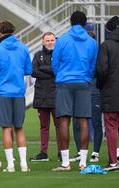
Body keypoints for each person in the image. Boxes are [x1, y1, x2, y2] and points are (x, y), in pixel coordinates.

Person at [51, 11, 98, 172]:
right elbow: (93, 65)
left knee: (64, 120)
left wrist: (61, 76)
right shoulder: (92, 42)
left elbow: (55, 63)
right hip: (83, 83)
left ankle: (65, 163)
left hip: (64, 82)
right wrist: (86, 78)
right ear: (85, 24)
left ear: (70, 22)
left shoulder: (62, 40)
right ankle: (83, 162)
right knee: (84, 121)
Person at [0, 20, 32, 172]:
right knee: (19, 128)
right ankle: (24, 164)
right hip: (19, 92)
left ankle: (11, 165)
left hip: (4, 92)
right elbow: (28, 70)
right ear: (13, 31)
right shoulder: (23, 48)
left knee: (6, 128)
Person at [70, 23, 103, 163]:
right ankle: (80, 152)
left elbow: (101, 70)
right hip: (81, 89)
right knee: (77, 122)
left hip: (94, 89)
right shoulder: (78, 51)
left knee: (95, 122)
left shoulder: (99, 51)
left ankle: (95, 152)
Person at [29, 32, 61, 162]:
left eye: (52, 40)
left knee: (59, 125)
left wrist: (43, 69)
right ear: (43, 42)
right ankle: (43, 153)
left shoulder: (59, 54)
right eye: (47, 40)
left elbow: (58, 70)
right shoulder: (38, 55)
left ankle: (61, 152)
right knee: (44, 126)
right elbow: (33, 72)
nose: (50, 42)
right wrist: (51, 71)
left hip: (56, 95)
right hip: (41, 95)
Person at [96, 16, 119, 171]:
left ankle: (113, 162)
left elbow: (102, 70)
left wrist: (99, 85)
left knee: (111, 127)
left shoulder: (106, 45)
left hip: (111, 92)